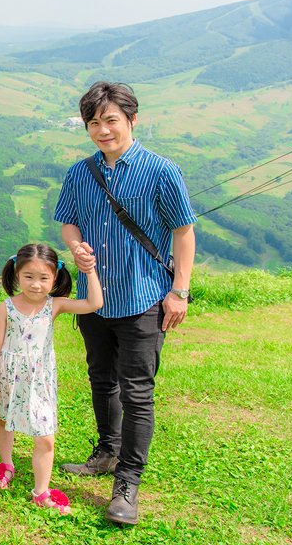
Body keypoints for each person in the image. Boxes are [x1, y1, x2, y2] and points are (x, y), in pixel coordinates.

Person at [54, 81, 197, 525]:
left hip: (143, 297)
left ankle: (127, 483)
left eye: (111, 120)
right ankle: (106, 451)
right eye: (94, 123)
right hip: (94, 300)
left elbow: (184, 232)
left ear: (132, 120)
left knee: (137, 392)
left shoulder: (161, 171)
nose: (102, 130)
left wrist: (179, 291)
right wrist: (75, 248)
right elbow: (68, 223)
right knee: (101, 378)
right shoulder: (80, 173)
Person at [0, 243, 102, 514]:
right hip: (8, 375)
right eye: (29, 277)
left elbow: (94, 303)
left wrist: (89, 270)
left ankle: (41, 491)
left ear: (55, 278)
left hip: (40, 379)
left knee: (45, 436)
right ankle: (6, 464)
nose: (36, 285)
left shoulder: (55, 305)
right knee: (4, 419)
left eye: (44, 278)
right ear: (16, 275)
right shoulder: (6, 307)